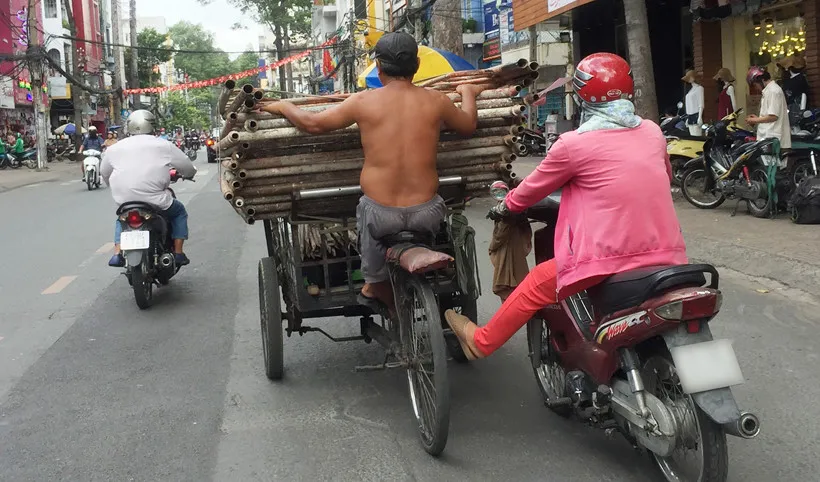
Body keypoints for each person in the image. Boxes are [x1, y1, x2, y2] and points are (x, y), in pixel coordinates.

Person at [444, 53, 688, 360]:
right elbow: (662, 177)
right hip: (669, 256)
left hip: (605, 259)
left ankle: (481, 341)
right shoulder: (652, 131)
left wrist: (506, 206)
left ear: (585, 96)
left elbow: (529, 190)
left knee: (535, 284)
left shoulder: (573, 145)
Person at [256, 31, 487, 311]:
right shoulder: (436, 100)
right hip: (427, 213)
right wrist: (468, 92)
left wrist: (284, 106)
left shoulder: (363, 102)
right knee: (428, 227)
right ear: (416, 65)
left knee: (372, 258)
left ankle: (375, 285)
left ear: (378, 67)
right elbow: (467, 126)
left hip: (380, 216)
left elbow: (313, 124)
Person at [101, 110, 197, 268]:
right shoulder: (163, 144)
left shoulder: (114, 148)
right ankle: (178, 253)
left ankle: (117, 254)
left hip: (125, 200)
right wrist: (189, 173)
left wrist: (111, 184)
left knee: (122, 218)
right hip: (156, 201)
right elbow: (186, 166)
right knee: (179, 212)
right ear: (152, 125)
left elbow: (104, 173)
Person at [745, 66, 791, 151]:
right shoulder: (769, 90)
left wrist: (755, 120)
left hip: (773, 138)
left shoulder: (773, 91)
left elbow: (773, 116)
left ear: (761, 80)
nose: (756, 88)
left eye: (755, 84)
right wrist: (757, 119)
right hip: (769, 138)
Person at [682, 70, 704, 136]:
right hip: (689, 116)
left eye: (690, 77)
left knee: (697, 136)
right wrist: (688, 118)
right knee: (692, 136)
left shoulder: (699, 88)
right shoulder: (691, 90)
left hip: (696, 115)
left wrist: (700, 117)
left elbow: (701, 104)